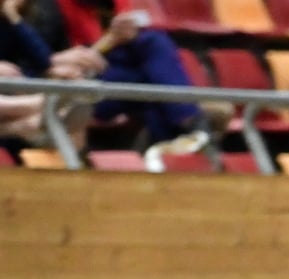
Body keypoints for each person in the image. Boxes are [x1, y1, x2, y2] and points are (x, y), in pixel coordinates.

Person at [2, 0, 209, 165]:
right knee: (148, 82)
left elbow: (47, 58)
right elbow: (39, 61)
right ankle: (185, 130)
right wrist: (54, 63)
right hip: (41, 82)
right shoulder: (51, 8)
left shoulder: (30, 12)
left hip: (72, 77)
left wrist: (111, 40)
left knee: (152, 51)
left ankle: (181, 135)